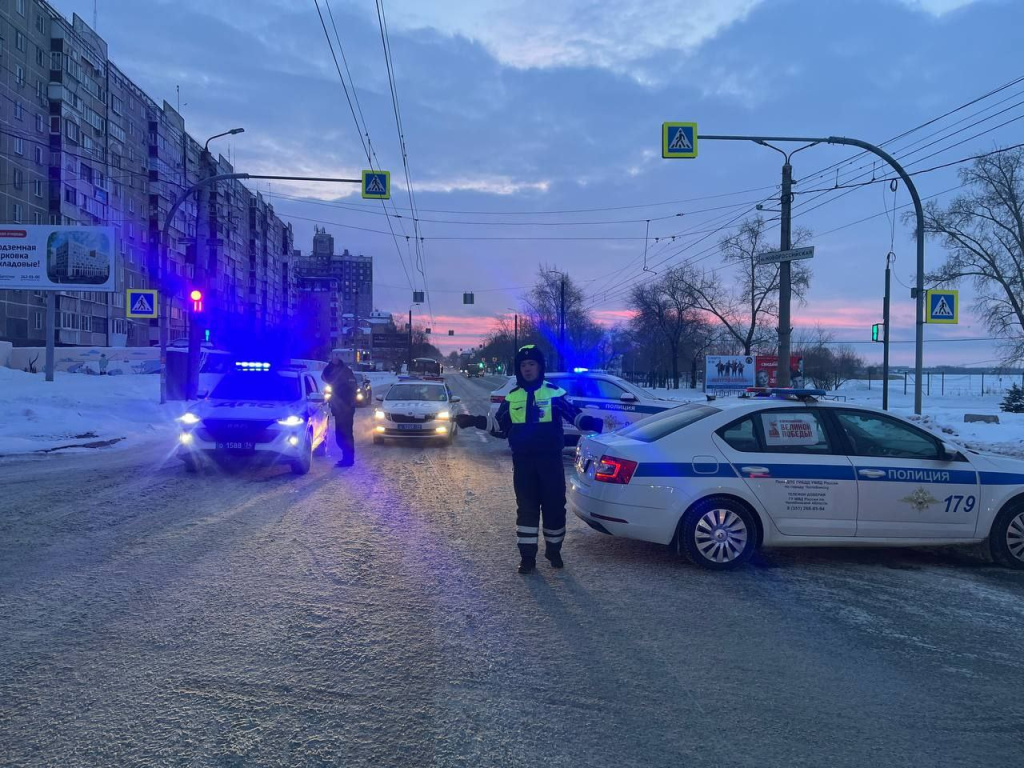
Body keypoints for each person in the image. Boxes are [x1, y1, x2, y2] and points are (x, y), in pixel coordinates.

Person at [457, 345, 602, 574]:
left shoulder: (554, 392)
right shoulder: (512, 397)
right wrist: (475, 421)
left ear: (540, 367)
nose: (527, 369)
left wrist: (590, 423)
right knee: (527, 509)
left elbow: (573, 415)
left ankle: (554, 551)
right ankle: (527, 558)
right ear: (519, 369)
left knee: (554, 508)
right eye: (523, 365)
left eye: (531, 364)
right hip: (524, 463)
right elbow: (500, 427)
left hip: (550, 461)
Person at [321, 349, 358, 467]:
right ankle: (346, 458)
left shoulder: (347, 373)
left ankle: (349, 459)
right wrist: (331, 364)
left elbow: (352, 389)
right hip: (339, 410)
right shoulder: (334, 374)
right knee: (340, 434)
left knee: (345, 434)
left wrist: (349, 403)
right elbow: (324, 376)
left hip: (346, 410)